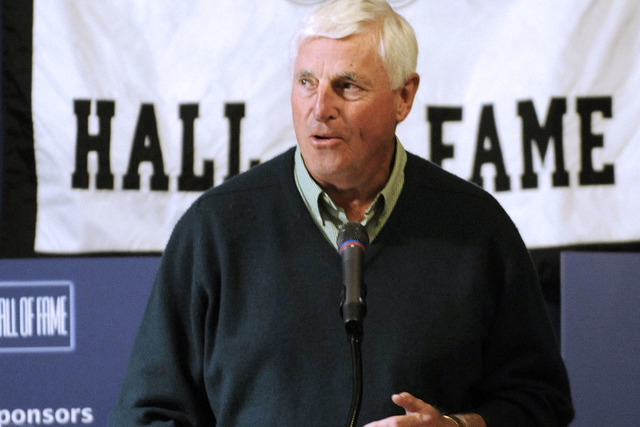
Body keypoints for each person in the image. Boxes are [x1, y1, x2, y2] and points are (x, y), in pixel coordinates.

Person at [110, 0, 574, 425]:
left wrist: (457, 426)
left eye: (347, 86)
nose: (320, 109)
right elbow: (148, 414)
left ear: (404, 97)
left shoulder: (475, 226)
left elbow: (541, 402)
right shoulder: (216, 228)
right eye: (306, 82)